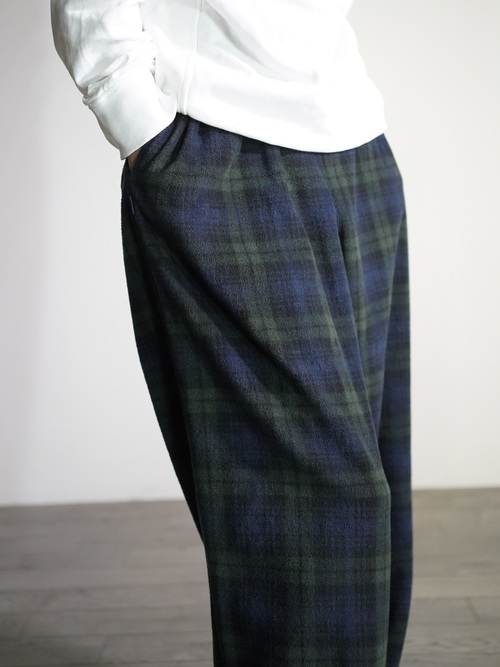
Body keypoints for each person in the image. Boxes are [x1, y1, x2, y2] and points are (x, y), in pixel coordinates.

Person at [51, 1, 412, 664]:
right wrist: (139, 122)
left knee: (377, 514)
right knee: (319, 514)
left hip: (358, 143)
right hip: (219, 143)